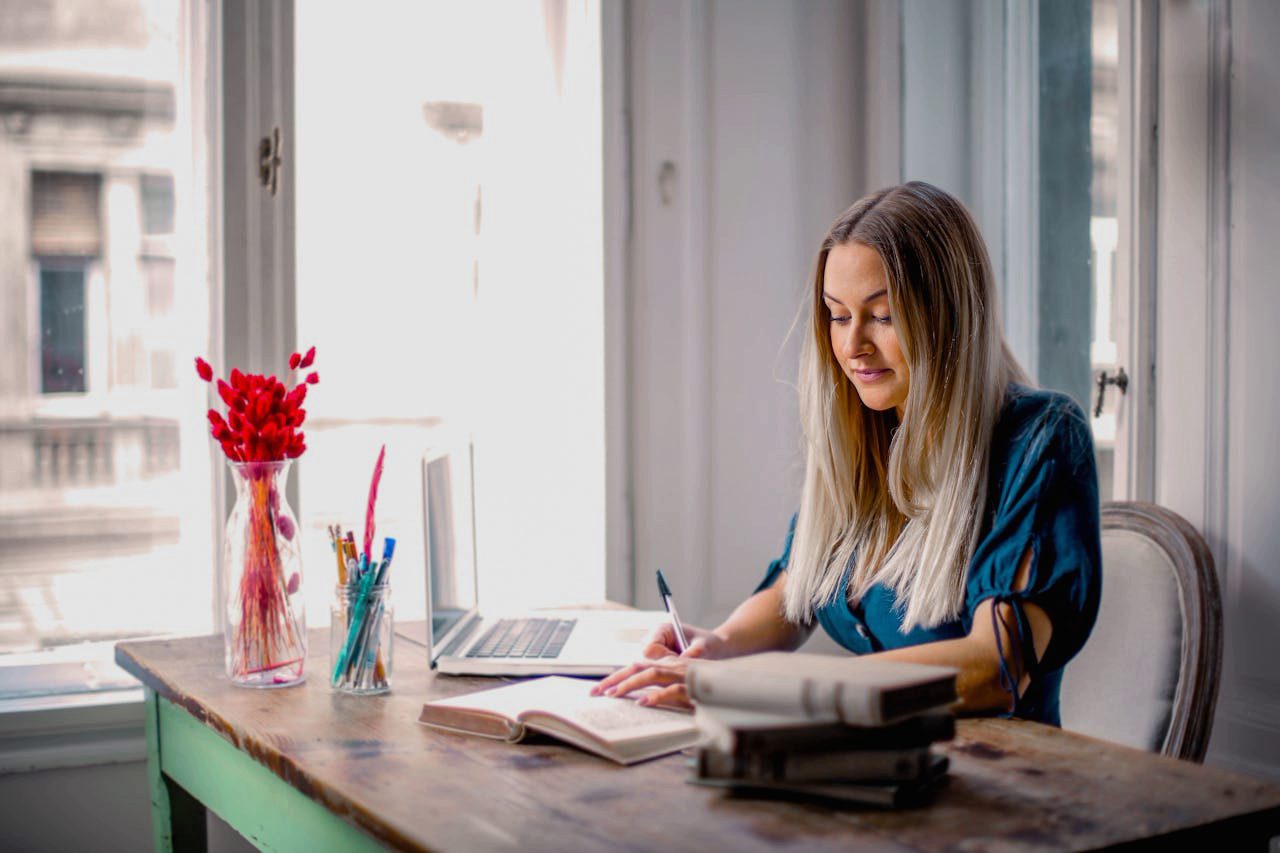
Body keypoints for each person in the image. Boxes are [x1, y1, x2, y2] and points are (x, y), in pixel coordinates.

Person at [593, 181, 1101, 725]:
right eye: (838, 315)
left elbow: (993, 669)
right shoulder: (869, 433)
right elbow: (798, 589)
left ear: (951, 318)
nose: (853, 345)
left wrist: (764, 686)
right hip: (866, 764)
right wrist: (718, 646)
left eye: (882, 316)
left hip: (996, 780)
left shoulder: (1040, 441)